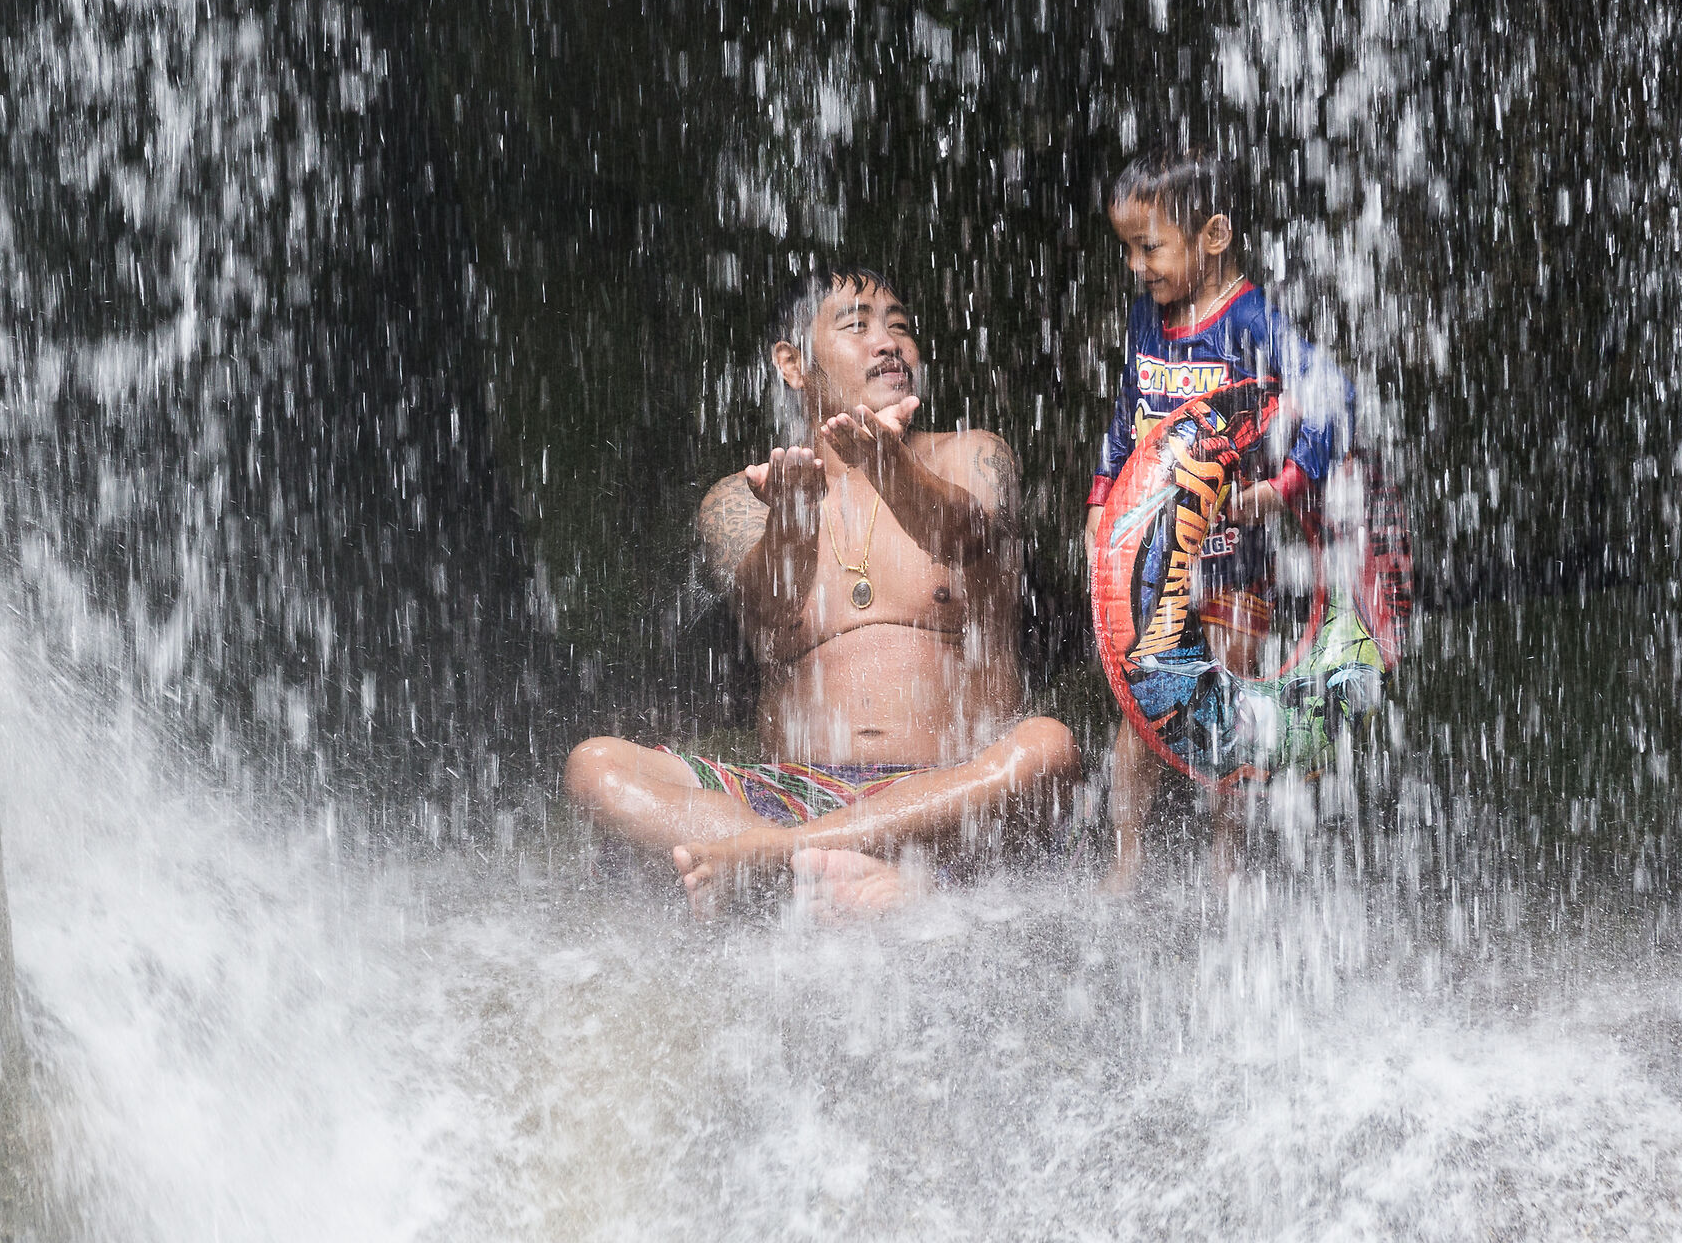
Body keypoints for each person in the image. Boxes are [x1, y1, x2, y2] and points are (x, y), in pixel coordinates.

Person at [563, 264, 1081, 918]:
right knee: (596, 765)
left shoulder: (972, 455)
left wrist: (893, 467)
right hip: (790, 792)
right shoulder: (743, 497)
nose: (889, 343)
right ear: (792, 362)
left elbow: (966, 536)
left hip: (947, 797)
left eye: (899, 327)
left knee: (1047, 749)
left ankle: (772, 861)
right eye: (858, 326)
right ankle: (828, 864)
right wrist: (789, 524)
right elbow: (767, 614)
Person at [1084, 149, 1355, 893]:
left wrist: (1284, 486)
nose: (1137, 266)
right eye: (1127, 250)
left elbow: (1332, 395)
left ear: (1212, 235)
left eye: (1149, 247)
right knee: (1141, 712)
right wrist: (1102, 502)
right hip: (1153, 565)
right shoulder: (1149, 316)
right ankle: (1127, 859)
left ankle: (1224, 862)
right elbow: (1126, 420)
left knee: (1227, 702)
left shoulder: (1254, 321)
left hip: (1237, 558)